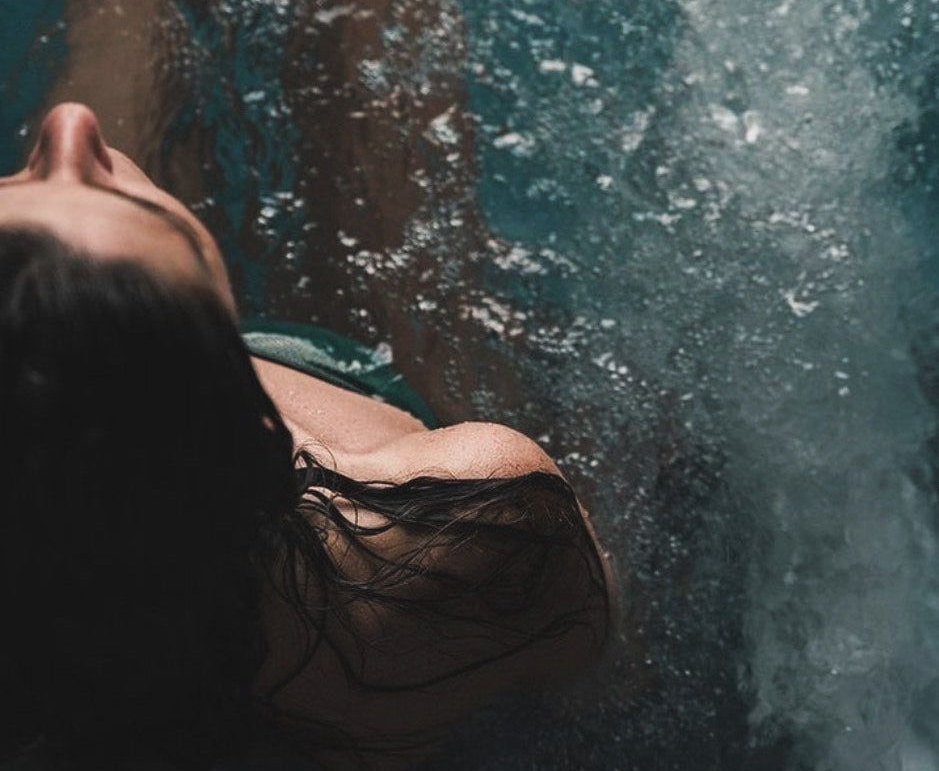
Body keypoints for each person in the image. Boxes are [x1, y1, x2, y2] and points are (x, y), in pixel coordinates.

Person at [0, 103, 613, 770]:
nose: (68, 124)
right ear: (246, 421)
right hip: (372, 411)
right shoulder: (463, 537)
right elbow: (602, 671)